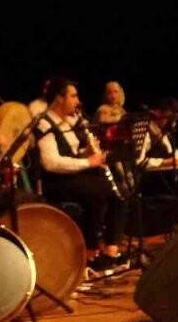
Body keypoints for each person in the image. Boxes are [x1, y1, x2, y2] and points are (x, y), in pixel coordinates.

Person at [34, 77, 125, 271]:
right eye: (73, 96)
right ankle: (91, 252)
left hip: (74, 175)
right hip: (57, 181)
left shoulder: (70, 122)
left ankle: (111, 249)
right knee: (97, 193)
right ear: (59, 98)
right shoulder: (44, 123)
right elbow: (51, 163)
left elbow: (73, 153)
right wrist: (88, 162)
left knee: (118, 190)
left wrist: (90, 154)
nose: (78, 101)